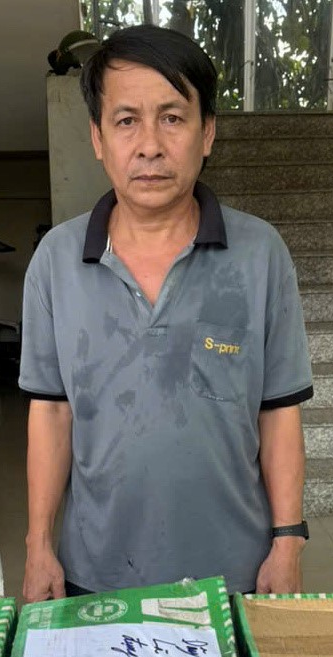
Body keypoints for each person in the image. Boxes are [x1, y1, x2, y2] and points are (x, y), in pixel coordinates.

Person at [19, 24, 313, 602]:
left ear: (207, 134)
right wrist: (38, 545)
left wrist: (287, 542)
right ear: (98, 138)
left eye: (172, 118)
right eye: (126, 120)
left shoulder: (260, 254)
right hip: (94, 571)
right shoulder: (56, 259)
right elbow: (50, 413)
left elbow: (278, 410)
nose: (149, 145)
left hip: (236, 571)